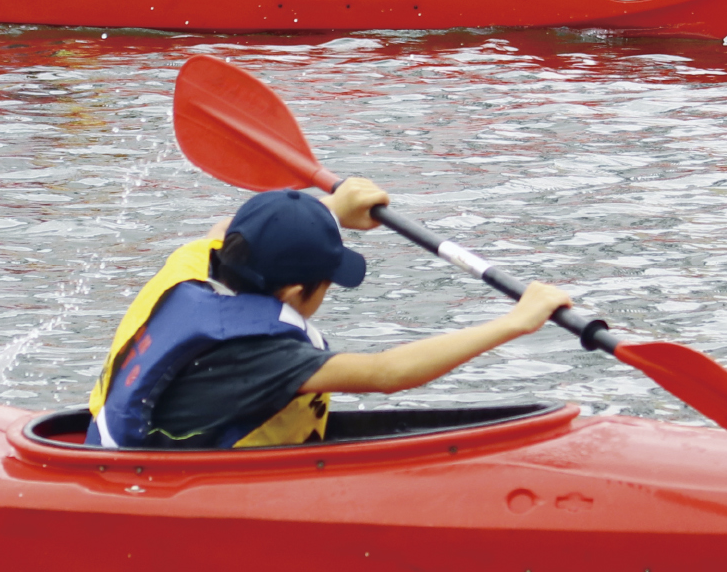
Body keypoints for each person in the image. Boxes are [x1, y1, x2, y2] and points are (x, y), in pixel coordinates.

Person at [88, 182, 574, 450]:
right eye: (328, 282)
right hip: (163, 486)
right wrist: (518, 320)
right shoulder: (261, 353)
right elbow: (388, 373)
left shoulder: (195, 263)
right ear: (299, 290)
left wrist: (329, 211)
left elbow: (230, 226)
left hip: (116, 445)